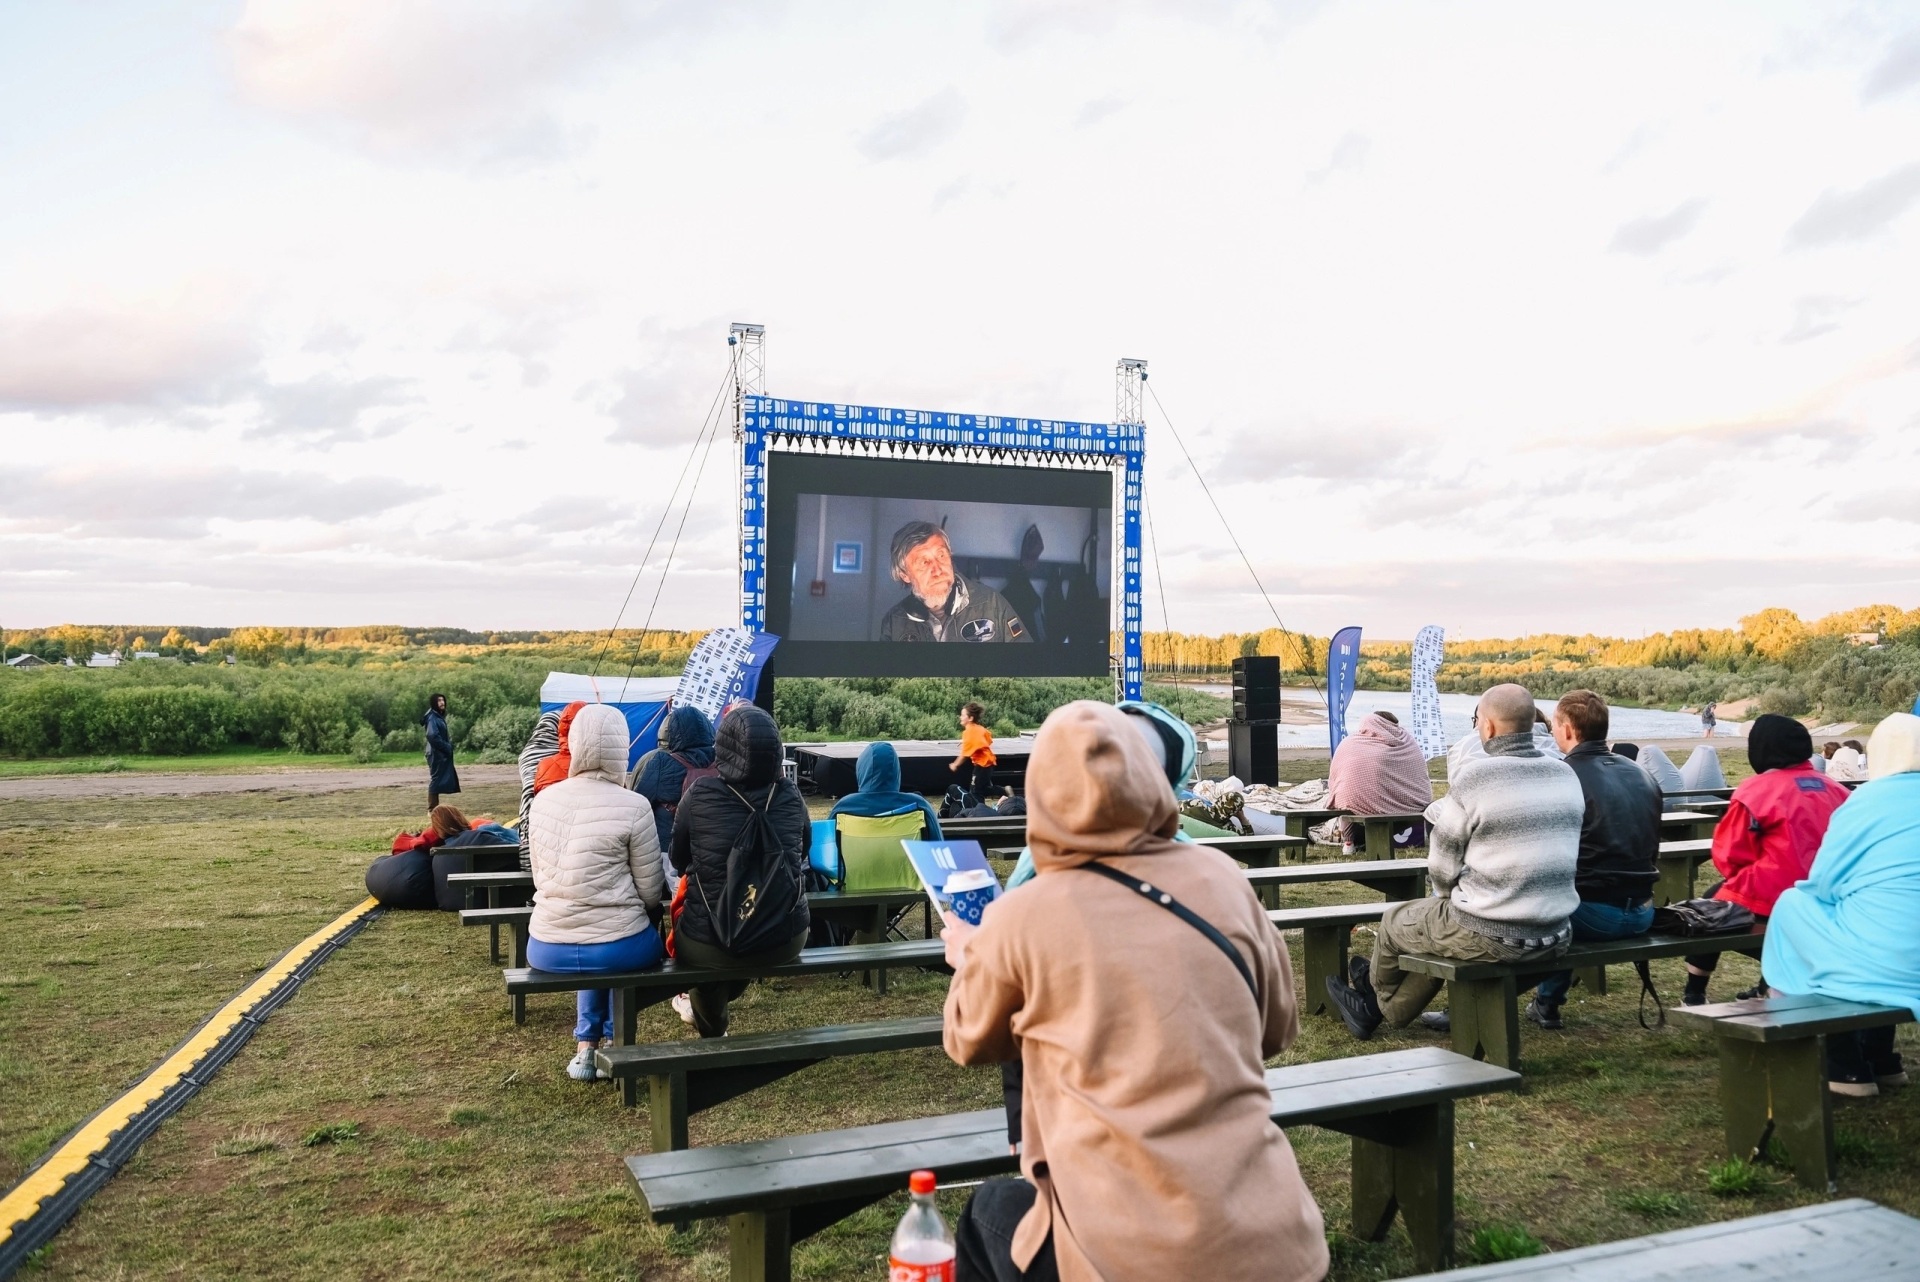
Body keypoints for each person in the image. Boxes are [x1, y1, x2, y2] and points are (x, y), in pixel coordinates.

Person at [939, 701, 1327, 1282]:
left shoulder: (1023, 914)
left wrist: (971, 951)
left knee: (989, 1214)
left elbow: (968, 1038)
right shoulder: (1223, 878)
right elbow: (1277, 1030)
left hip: (1130, 1257)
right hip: (1279, 1247)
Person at [1325, 683, 1583, 1039]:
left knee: (1393, 921)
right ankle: (1376, 1003)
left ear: (1489, 726)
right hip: (1557, 931)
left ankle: (1372, 1003)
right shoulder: (1566, 773)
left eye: (1477, 720)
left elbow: (1442, 868)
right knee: (1436, 938)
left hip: (1497, 932)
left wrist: (1448, 896)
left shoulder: (1476, 777)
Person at [1763, 713, 1920, 1096]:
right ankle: (1880, 1056)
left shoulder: (1864, 802)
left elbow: (1822, 884)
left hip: (1887, 965)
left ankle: (1843, 1059)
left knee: (1791, 905)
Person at [525, 703, 667, 1081]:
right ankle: (610, 1043)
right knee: (611, 938)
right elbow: (652, 891)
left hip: (545, 944)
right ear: (622, 747)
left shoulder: (543, 801)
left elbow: (540, 879)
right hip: (619, 945)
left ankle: (586, 1047)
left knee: (596, 936)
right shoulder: (634, 806)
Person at [1682, 713, 1851, 1005]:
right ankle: (1769, 983)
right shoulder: (1838, 791)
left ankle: (1694, 992)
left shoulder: (1755, 791)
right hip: (1829, 903)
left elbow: (1729, 855)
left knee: (1709, 907)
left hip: (1770, 901)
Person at [667, 705, 812, 1037]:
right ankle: (722, 998)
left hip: (711, 937)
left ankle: (714, 1030)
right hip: (785, 934)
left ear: (723, 747)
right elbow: (803, 852)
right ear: (776, 749)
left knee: (709, 970)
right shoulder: (791, 795)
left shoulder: (699, 794)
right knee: (742, 940)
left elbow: (678, 859)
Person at [1527, 691, 1662, 1029]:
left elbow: (1544, 855)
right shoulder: (1642, 774)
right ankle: (1546, 1000)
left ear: (1568, 730)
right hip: (1643, 909)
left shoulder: (1561, 777)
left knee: (1523, 908)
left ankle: (1485, 1002)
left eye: (1555, 726)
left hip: (1590, 915)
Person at [879, 521, 1032, 643]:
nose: (937, 570)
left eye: (941, 556)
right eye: (924, 563)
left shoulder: (993, 603)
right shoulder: (894, 622)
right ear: (904, 575)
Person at [1322, 709, 1433, 852]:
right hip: (1408, 813)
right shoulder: (1408, 743)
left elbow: (1337, 782)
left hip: (1356, 812)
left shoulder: (1349, 744)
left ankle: (1349, 843)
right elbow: (1421, 783)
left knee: (1346, 800)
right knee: (1347, 799)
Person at [629, 704, 718, 851]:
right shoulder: (722, 760)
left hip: (668, 853)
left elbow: (637, 810)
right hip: (712, 851)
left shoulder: (659, 762)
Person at [827, 741, 944, 837]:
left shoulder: (843, 807)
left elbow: (827, 849)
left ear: (861, 769)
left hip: (853, 866)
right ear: (896, 770)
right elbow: (939, 849)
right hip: (906, 866)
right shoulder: (920, 806)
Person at [950, 701, 998, 801]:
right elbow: (988, 739)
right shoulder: (979, 728)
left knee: (975, 791)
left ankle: (979, 812)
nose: (960, 717)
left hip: (982, 765)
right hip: (989, 763)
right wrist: (968, 742)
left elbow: (964, 755)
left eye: (963, 715)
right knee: (982, 789)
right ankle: (1003, 791)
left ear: (970, 718)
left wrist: (955, 764)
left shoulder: (969, 732)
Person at [423, 693, 459, 810]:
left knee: (437, 779)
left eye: (443, 700)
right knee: (436, 779)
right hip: (436, 753)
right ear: (434, 703)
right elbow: (432, 735)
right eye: (439, 701)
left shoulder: (437, 716)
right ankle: (432, 809)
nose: (442, 703)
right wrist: (446, 747)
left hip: (438, 752)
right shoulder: (432, 717)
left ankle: (434, 809)